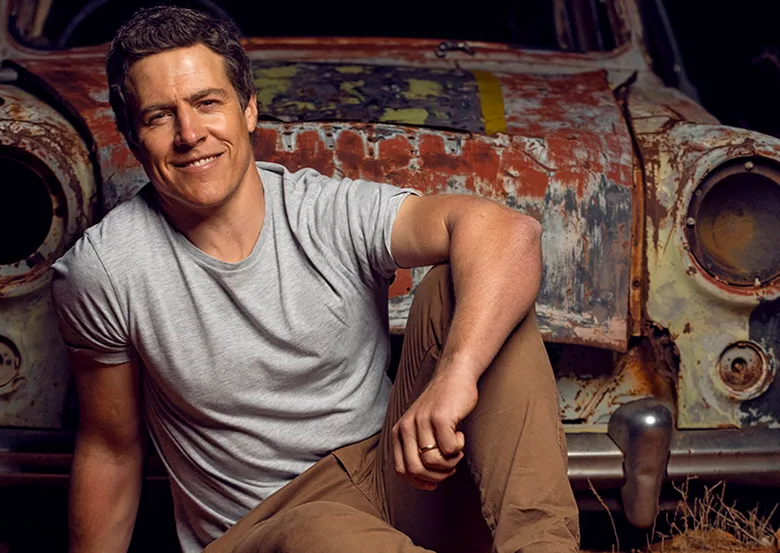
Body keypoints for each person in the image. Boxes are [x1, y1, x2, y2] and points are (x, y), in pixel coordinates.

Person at [51, 6, 580, 553]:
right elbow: (111, 446)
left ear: (248, 109)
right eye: (160, 116)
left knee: (470, 290)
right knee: (319, 529)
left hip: (390, 477)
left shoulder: (324, 211)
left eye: (207, 103)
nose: (190, 134)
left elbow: (510, 233)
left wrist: (455, 375)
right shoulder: (106, 269)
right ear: (133, 137)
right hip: (262, 527)